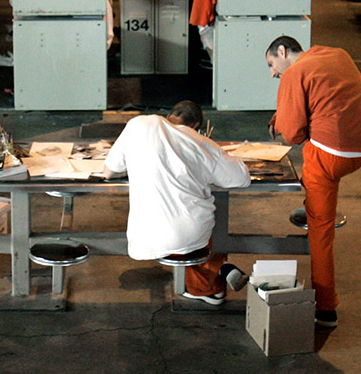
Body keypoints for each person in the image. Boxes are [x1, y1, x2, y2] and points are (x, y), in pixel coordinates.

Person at [266, 36, 361, 329]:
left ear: (282, 52)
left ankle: (326, 309)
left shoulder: (294, 73)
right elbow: (325, 99)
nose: (273, 73)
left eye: (271, 65)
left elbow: (292, 135)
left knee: (321, 231)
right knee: (321, 189)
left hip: (328, 155)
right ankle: (313, 204)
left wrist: (282, 120)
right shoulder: (337, 53)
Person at [103, 100, 251, 305]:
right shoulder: (199, 141)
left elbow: (109, 171)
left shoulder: (138, 125)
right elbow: (241, 178)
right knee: (199, 224)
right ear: (196, 126)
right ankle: (209, 285)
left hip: (145, 235)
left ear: (171, 114)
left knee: (182, 225)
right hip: (192, 234)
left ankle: (217, 273)